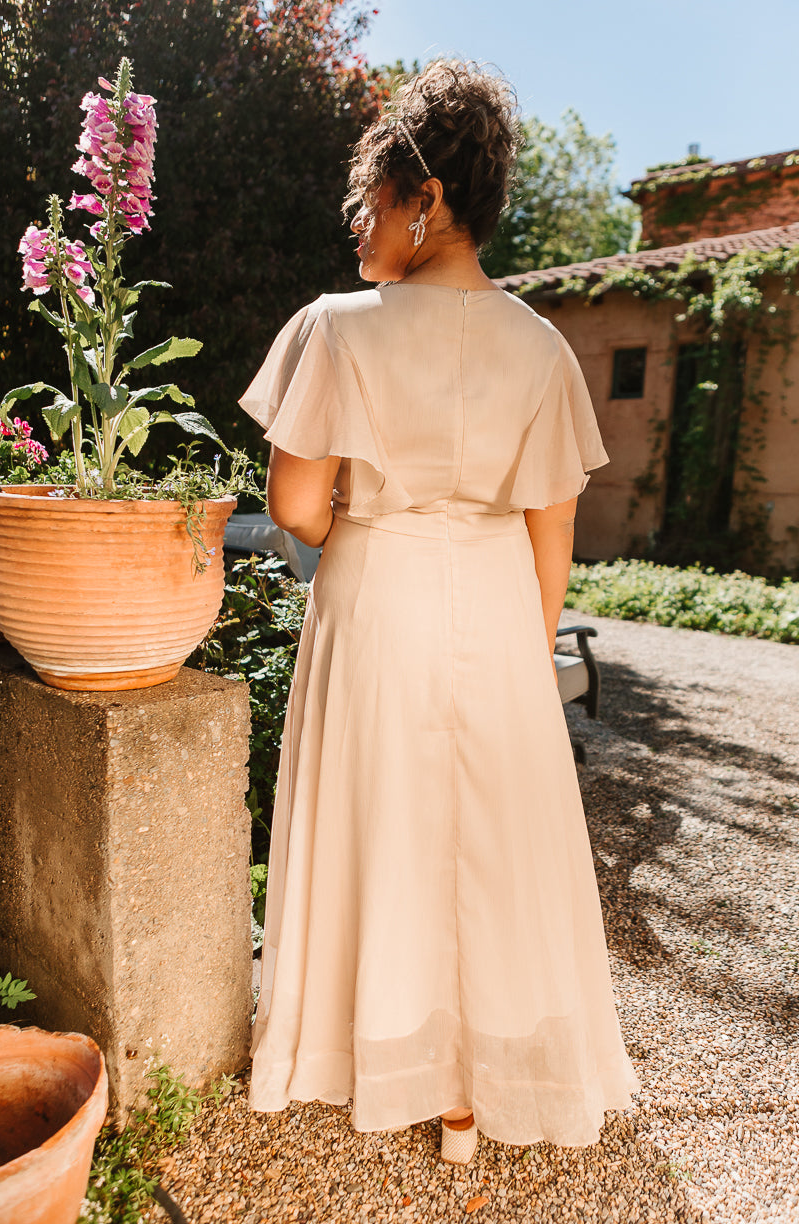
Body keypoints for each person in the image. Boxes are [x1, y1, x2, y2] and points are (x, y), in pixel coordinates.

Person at [239, 59, 640, 1166]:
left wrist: (370, 509)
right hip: (500, 611)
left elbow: (298, 510)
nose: (356, 227)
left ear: (424, 200)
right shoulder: (546, 349)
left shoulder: (333, 329)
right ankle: (476, 1097)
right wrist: (518, 647)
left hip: (377, 603)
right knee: (493, 850)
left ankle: (385, 1059)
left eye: (369, 203)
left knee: (387, 834)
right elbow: (550, 537)